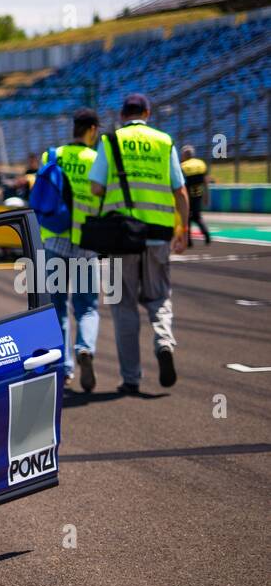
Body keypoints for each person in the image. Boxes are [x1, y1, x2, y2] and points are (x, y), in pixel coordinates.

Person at [89, 93, 188, 394]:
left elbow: (95, 187)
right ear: (148, 112)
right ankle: (164, 344)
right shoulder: (164, 141)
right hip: (158, 234)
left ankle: (131, 378)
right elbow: (180, 192)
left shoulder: (111, 142)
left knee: (124, 306)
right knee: (159, 298)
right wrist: (181, 229)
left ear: (122, 115)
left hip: (122, 238)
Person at [39, 107, 102, 392]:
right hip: (87, 242)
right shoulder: (96, 159)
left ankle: (64, 369)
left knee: (57, 308)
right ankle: (84, 349)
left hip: (54, 239)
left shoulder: (54, 155)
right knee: (87, 307)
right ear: (92, 130)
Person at [180, 146, 211, 245]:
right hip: (198, 194)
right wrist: (207, 196)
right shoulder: (201, 164)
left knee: (187, 216)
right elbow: (206, 182)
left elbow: (180, 184)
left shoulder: (183, 166)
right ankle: (206, 235)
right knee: (197, 216)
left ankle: (188, 241)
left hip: (187, 195)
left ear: (185, 155)